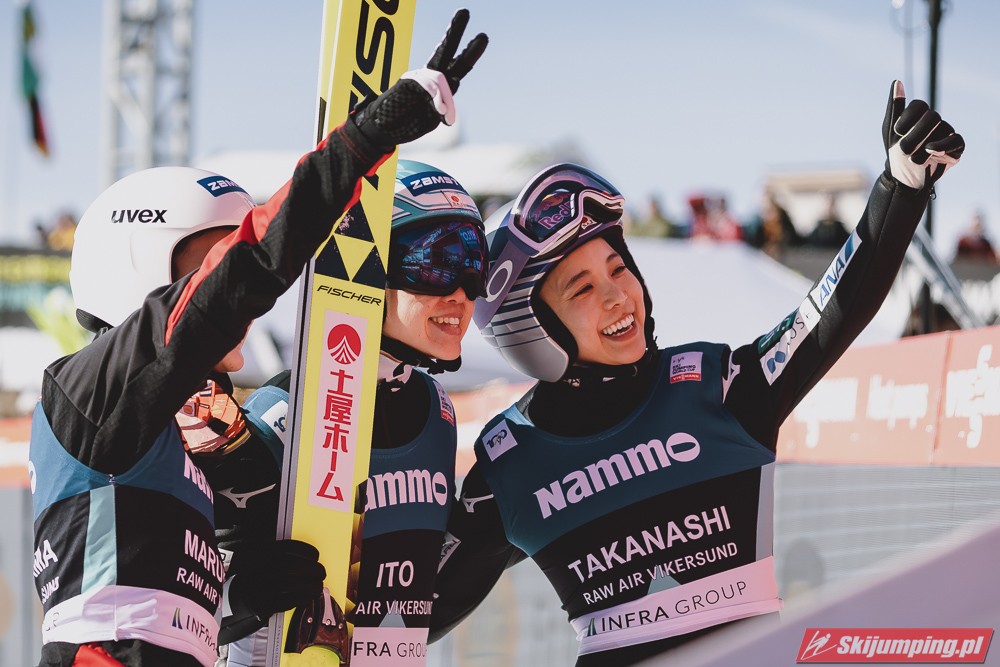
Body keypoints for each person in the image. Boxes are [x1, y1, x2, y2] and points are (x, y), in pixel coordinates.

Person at [428, 81, 964, 665]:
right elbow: (410, 613)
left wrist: (899, 186)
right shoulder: (509, 461)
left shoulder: (719, 387)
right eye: (581, 289)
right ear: (530, 328)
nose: (617, 296)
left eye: (618, 268)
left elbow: (833, 311)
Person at [27, 10, 487, 667]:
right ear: (141, 268)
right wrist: (365, 141)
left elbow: (161, 605)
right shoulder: (90, 394)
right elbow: (248, 272)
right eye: (209, 266)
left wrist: (244, 599)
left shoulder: (196, 433)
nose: (240, 303)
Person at [218, 160, 487, 666]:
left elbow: (424, 598)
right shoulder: (287, 406)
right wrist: (247, 596)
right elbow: (185, 595)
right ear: (370, 269)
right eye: (438, 264)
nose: (461, 292)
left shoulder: (436, 409)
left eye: (476, 266)